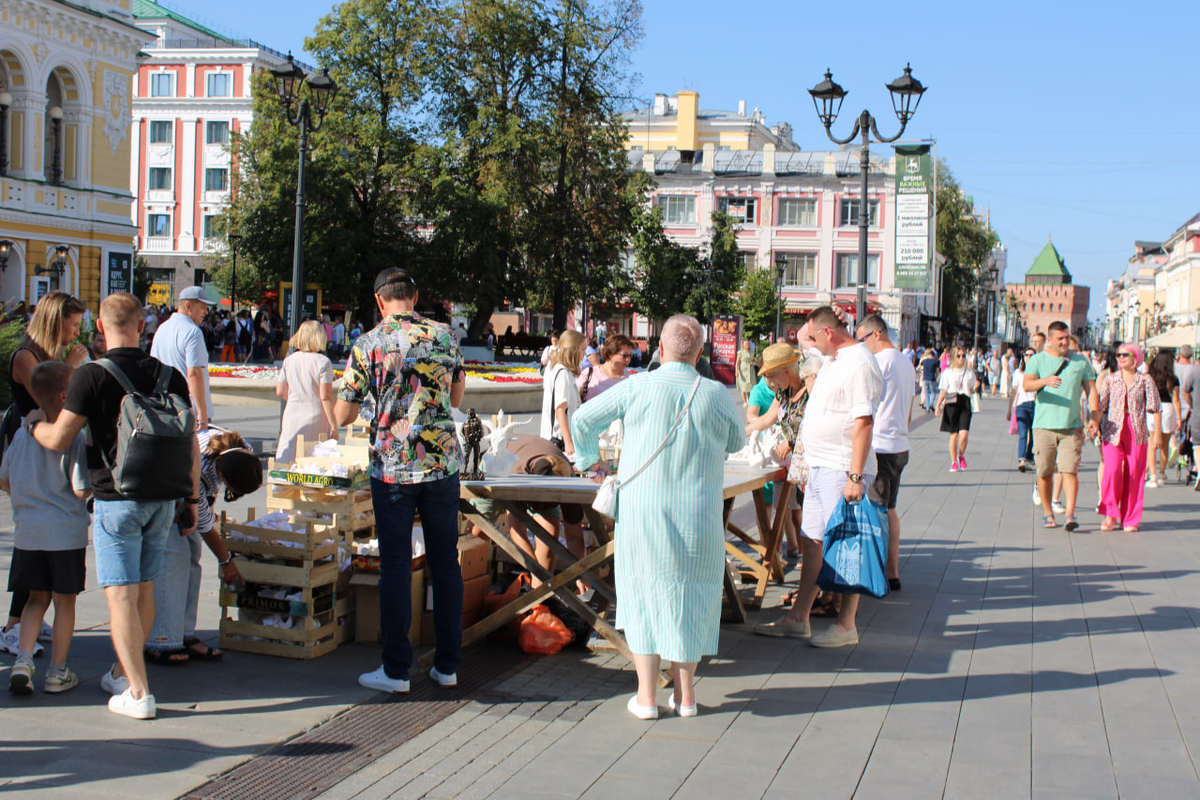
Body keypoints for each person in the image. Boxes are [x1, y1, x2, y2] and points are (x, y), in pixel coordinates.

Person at [30, 292, 200, 719]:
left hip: (116, 499)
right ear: (143, 326)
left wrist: (34, 427)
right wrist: (193, 498)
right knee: (144, 590)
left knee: (120, 595)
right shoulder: (169, 375)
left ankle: (138, 693)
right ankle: (123, 674)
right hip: (163, 498)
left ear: (101, 328)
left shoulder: (91, 375)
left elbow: (59, 438)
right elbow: (191, 442)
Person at [571, 315, 743, 718]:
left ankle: (646, 696)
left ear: (660, 349)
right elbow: (736, 440)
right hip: (698, 514)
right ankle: (686, 696)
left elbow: (581, 419)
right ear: (700, 354)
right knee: (693, 596)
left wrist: (589, 459)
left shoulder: (637, 385)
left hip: (642, 512)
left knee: (642, 594)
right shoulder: (716, 394)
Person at [334, 267, 465, 695]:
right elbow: (456, 397)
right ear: (414, 296)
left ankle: (395, 671)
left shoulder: (369, 343)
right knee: (445, 562)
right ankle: (447, 666)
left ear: (379, 301)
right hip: (441, 464)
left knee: (395, 564)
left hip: (392, 468)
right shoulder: (445, 336)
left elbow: (343, 414)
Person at [752, 306, 882, 648]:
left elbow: (864, 422)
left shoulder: (859, 362)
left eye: (811, 338)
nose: (807, 346)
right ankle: (799, 617)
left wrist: (855, 475)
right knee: (812, 540)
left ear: (827, 333)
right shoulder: (834, 359)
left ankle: (846, 624)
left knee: (845, 544)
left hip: (841, 466)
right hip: (820, 465)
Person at [1, 291, 88, 654]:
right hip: (30, 440)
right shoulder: (26, 356)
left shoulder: (46, 356)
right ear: (55, 322)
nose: (76, 333)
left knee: (38, 539)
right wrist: (70, 365)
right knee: (33, 534)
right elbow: (49, 398)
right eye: (72, 324)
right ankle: (13, 626)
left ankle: (26, 621)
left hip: (48, 441)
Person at [145, 428, 261, 664]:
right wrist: (226, 561)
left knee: (192, 560)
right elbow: (206, 527)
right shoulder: (200, 471)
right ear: (221, 475)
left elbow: (206, 507)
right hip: (166, 487)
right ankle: (162, 639)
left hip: (187, 493)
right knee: (172, 562)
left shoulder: (241, 450)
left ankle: (184, 633)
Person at [467, 435, 586, 588]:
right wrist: (536, 571)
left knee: (549, 534)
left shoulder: (569, 483)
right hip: (498, 464)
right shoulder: (517, 475)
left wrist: (579, 574)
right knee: (477, 533)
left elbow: (575, 536)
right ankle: (467, 588)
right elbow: (517, 529)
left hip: (539, 468)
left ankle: (540, 594)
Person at [855, 315, 913, 592]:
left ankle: (877, 573)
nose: (862, 346)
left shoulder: (880, 361)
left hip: (881, 446)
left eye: (863, 339)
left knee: (876, 510)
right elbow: (909, 408)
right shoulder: (905, 361)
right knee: (889, 508)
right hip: (899, 443)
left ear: (876, 334)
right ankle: (892, 572)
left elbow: (866, 403)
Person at [1024, 320, 1099, 531]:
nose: (1065, 342)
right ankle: (1048, 513)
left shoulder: (1080, 362)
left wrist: (1094, 418)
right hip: (1043, 426)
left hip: (1071, 426)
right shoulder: (1038, 360)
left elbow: (1092, 391)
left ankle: (1069, 515)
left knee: (1069, 470)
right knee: (1044, 472)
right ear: (1049, 339)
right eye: (1060, 339)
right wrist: (1045, 381)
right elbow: (1027, 384)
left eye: (1067, 337)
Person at [745, 343, 810, 561]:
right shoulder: (783, 393)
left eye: (772, 375)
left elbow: (817, 426)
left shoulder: (811, 389)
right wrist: (740, 433)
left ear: (787, 371)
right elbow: (765, 420)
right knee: (783, 512)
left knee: (804, 515)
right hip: (790, 466)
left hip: (809, 467)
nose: (770, 381)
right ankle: (778, 558)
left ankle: (807, 559)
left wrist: (791, 442)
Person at [1096, 344, 1160, 531]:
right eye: (1119, 355)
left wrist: (1157, 434)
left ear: (1136, 357)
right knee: (1112, 471)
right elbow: (1101, 405)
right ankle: (1110, 514)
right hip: (1113, 429)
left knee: (1134, 474)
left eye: (1126, 354)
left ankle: (1130, 518)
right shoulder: (1111, 378)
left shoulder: (1145, 379)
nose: (1121, 357)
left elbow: (1155, 407)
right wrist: (1093, 423)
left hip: (1136, 429)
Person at [152, 286, 217, 431]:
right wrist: (202, 415)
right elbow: (194, 374)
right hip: (190, 410)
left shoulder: (161, 329)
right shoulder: (193, 332)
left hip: (167, 407)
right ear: (188, 306)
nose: (206, 312)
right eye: (203, 307)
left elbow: (154, 368)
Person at [275, 320, 337, 463]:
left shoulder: (289, 360)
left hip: (292, 413)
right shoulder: (323, 362)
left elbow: (280, 390)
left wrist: (295, 398)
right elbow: (325, 396)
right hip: (316, 414)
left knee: (289, 455)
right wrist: (333, 425)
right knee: (313, 458)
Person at [540, 330, 585, 458]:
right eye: (583, 349)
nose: (584, 354)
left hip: (557, 439)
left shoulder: (561, 370)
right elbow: (560, 409)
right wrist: (569, 443)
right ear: (573, 350)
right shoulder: (563, 373)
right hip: (558, 440)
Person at [934, 348, 977, 472]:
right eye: (959, 356)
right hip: (952, 402)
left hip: (965, 402)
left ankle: (961, 454)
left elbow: (972, 387)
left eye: (963, 356)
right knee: (954, 434)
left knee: (964, 434)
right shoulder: (948, 372)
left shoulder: (969, 372)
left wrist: (975, 388)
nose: (961, 358)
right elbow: (943, 389)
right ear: (953, 357)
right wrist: (938, 405)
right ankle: (954, 462)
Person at [1146, 351, 1181, 488]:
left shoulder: (1150, 376)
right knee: (1164, 444)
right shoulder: (1173, 379)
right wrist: (1179, 418)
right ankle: (1162, 474)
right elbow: (1176, 398)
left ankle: (1153, 477)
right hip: (1168, 408)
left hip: (1151, 408)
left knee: (1151, 443)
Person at [1006, 347, 1038, 472]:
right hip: (1022, 405)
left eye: (1032, 355)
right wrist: (1009, 409)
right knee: (1023, 433)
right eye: (1026, 355)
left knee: (1034, 433)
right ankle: (1022, 459)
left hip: (1035, 405)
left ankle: (1029, 456)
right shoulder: (1018, 373)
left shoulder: (1039, 372)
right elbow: (1014, 390)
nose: (1029, 357)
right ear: (1023, 357)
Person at [576, 334, 634, 402]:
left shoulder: (631, 380)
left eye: (630, 356)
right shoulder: (589, 373)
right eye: (625, 356)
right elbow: (574, 400)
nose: (628, 359)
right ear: (610, 354)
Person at [919, 348, 939, 412]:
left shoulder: (924, 361)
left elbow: (919, 367)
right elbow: (938, 371)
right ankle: (931, 403)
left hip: (925, 378)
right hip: (932, 378)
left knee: (926, 392)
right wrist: (937, 377)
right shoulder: (935, 362)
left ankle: (927, 407)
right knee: (933, 391)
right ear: (933, 356)